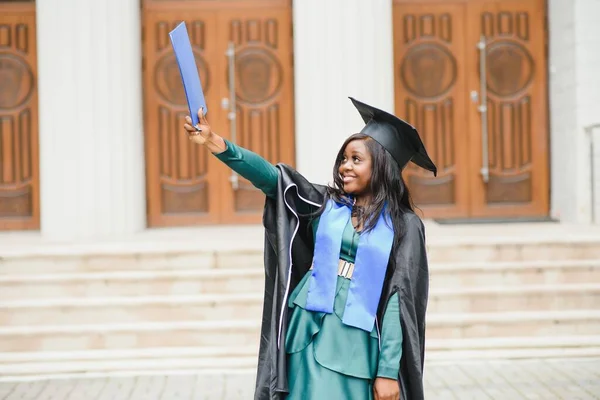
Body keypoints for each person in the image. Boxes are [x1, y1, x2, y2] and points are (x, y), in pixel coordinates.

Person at [183, 97, 435, 400]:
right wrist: (217, 143)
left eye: (356, 159)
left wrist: (387, 370)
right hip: (308, 329)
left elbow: (400, 297)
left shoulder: (404, 225)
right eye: (344, 158)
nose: (345, 167)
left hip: (356, 343)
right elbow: (271, 178)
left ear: (382, 166)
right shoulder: (327, 204)